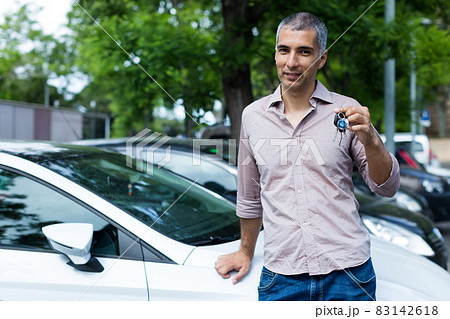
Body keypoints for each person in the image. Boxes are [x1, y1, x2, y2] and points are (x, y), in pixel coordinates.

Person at [214, 12, 400, 301]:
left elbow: (386, 187)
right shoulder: (253, 116)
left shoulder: (348, 110)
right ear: (275, 54)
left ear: (321, 58)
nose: (291, 62)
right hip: (282, 276)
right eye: (284, 50)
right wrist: (245, 251)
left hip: (349, 275)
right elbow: (250, 196)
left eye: (304, 52)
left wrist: (372, 140)